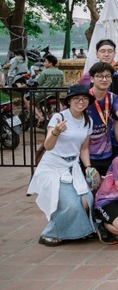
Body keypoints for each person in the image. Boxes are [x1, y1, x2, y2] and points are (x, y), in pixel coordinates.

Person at [27, 84, 97, 246]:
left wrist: (88, 167)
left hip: (72, 165)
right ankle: (49, 233)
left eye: (85, 98)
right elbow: (48, 146)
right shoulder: (58, 118)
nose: (81, 101)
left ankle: (75, 231)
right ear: (69, 101)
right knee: (71, 203)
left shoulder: (88, 121)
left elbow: (84, 148)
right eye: (76, 98)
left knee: (87, 199)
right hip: (53, 166)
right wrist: (56, 132)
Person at [86, 63, 118, 176]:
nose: (104, 79)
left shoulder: (113, 98)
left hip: (106, 152)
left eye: (108, 76)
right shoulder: (84, 98)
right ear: (92, 79)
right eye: (100, 76)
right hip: (86, 152)